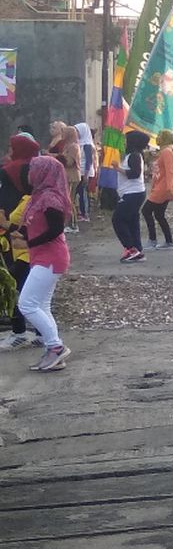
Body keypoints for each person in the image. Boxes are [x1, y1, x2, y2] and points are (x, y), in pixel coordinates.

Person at [16, 156, 73, 371]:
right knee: (40, 305)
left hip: (50, 257)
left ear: (43, 172)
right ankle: (53, 351)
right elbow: (32, 225)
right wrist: (21, 235)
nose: (29, 173)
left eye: (33, 169)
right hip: (43, 256)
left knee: (27, 304)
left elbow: (55, 229)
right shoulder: (40, 196)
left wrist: (29, 242)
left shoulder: (50, 198)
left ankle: (56, 347)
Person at [0, 134, 39, 350]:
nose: (9, 149)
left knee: (14, 281)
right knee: (24, 282)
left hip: (12, 228)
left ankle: (19, 331)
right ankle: (31, 331)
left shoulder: (12, 168)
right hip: (22, 227)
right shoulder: (32, 167)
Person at [114, 130, 150, 263]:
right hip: (131, 192)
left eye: (126, 140)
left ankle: (131, 247)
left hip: (133, 193)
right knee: (132, 221)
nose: (124, 142)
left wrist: (118, 168)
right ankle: (137, 248)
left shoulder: (135, 156)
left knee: (118, 219)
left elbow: (134, 173)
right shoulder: (132, 155)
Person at [142, 130, 173, 250]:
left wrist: (169, 188)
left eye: (160, 136)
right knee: (159, 215)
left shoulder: (167, 152)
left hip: (162, 188)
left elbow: (170, 171)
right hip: (159, 186)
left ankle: (153, 240)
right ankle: (169, 241)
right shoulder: (164, 151)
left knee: (146, 211)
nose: (157, 138)